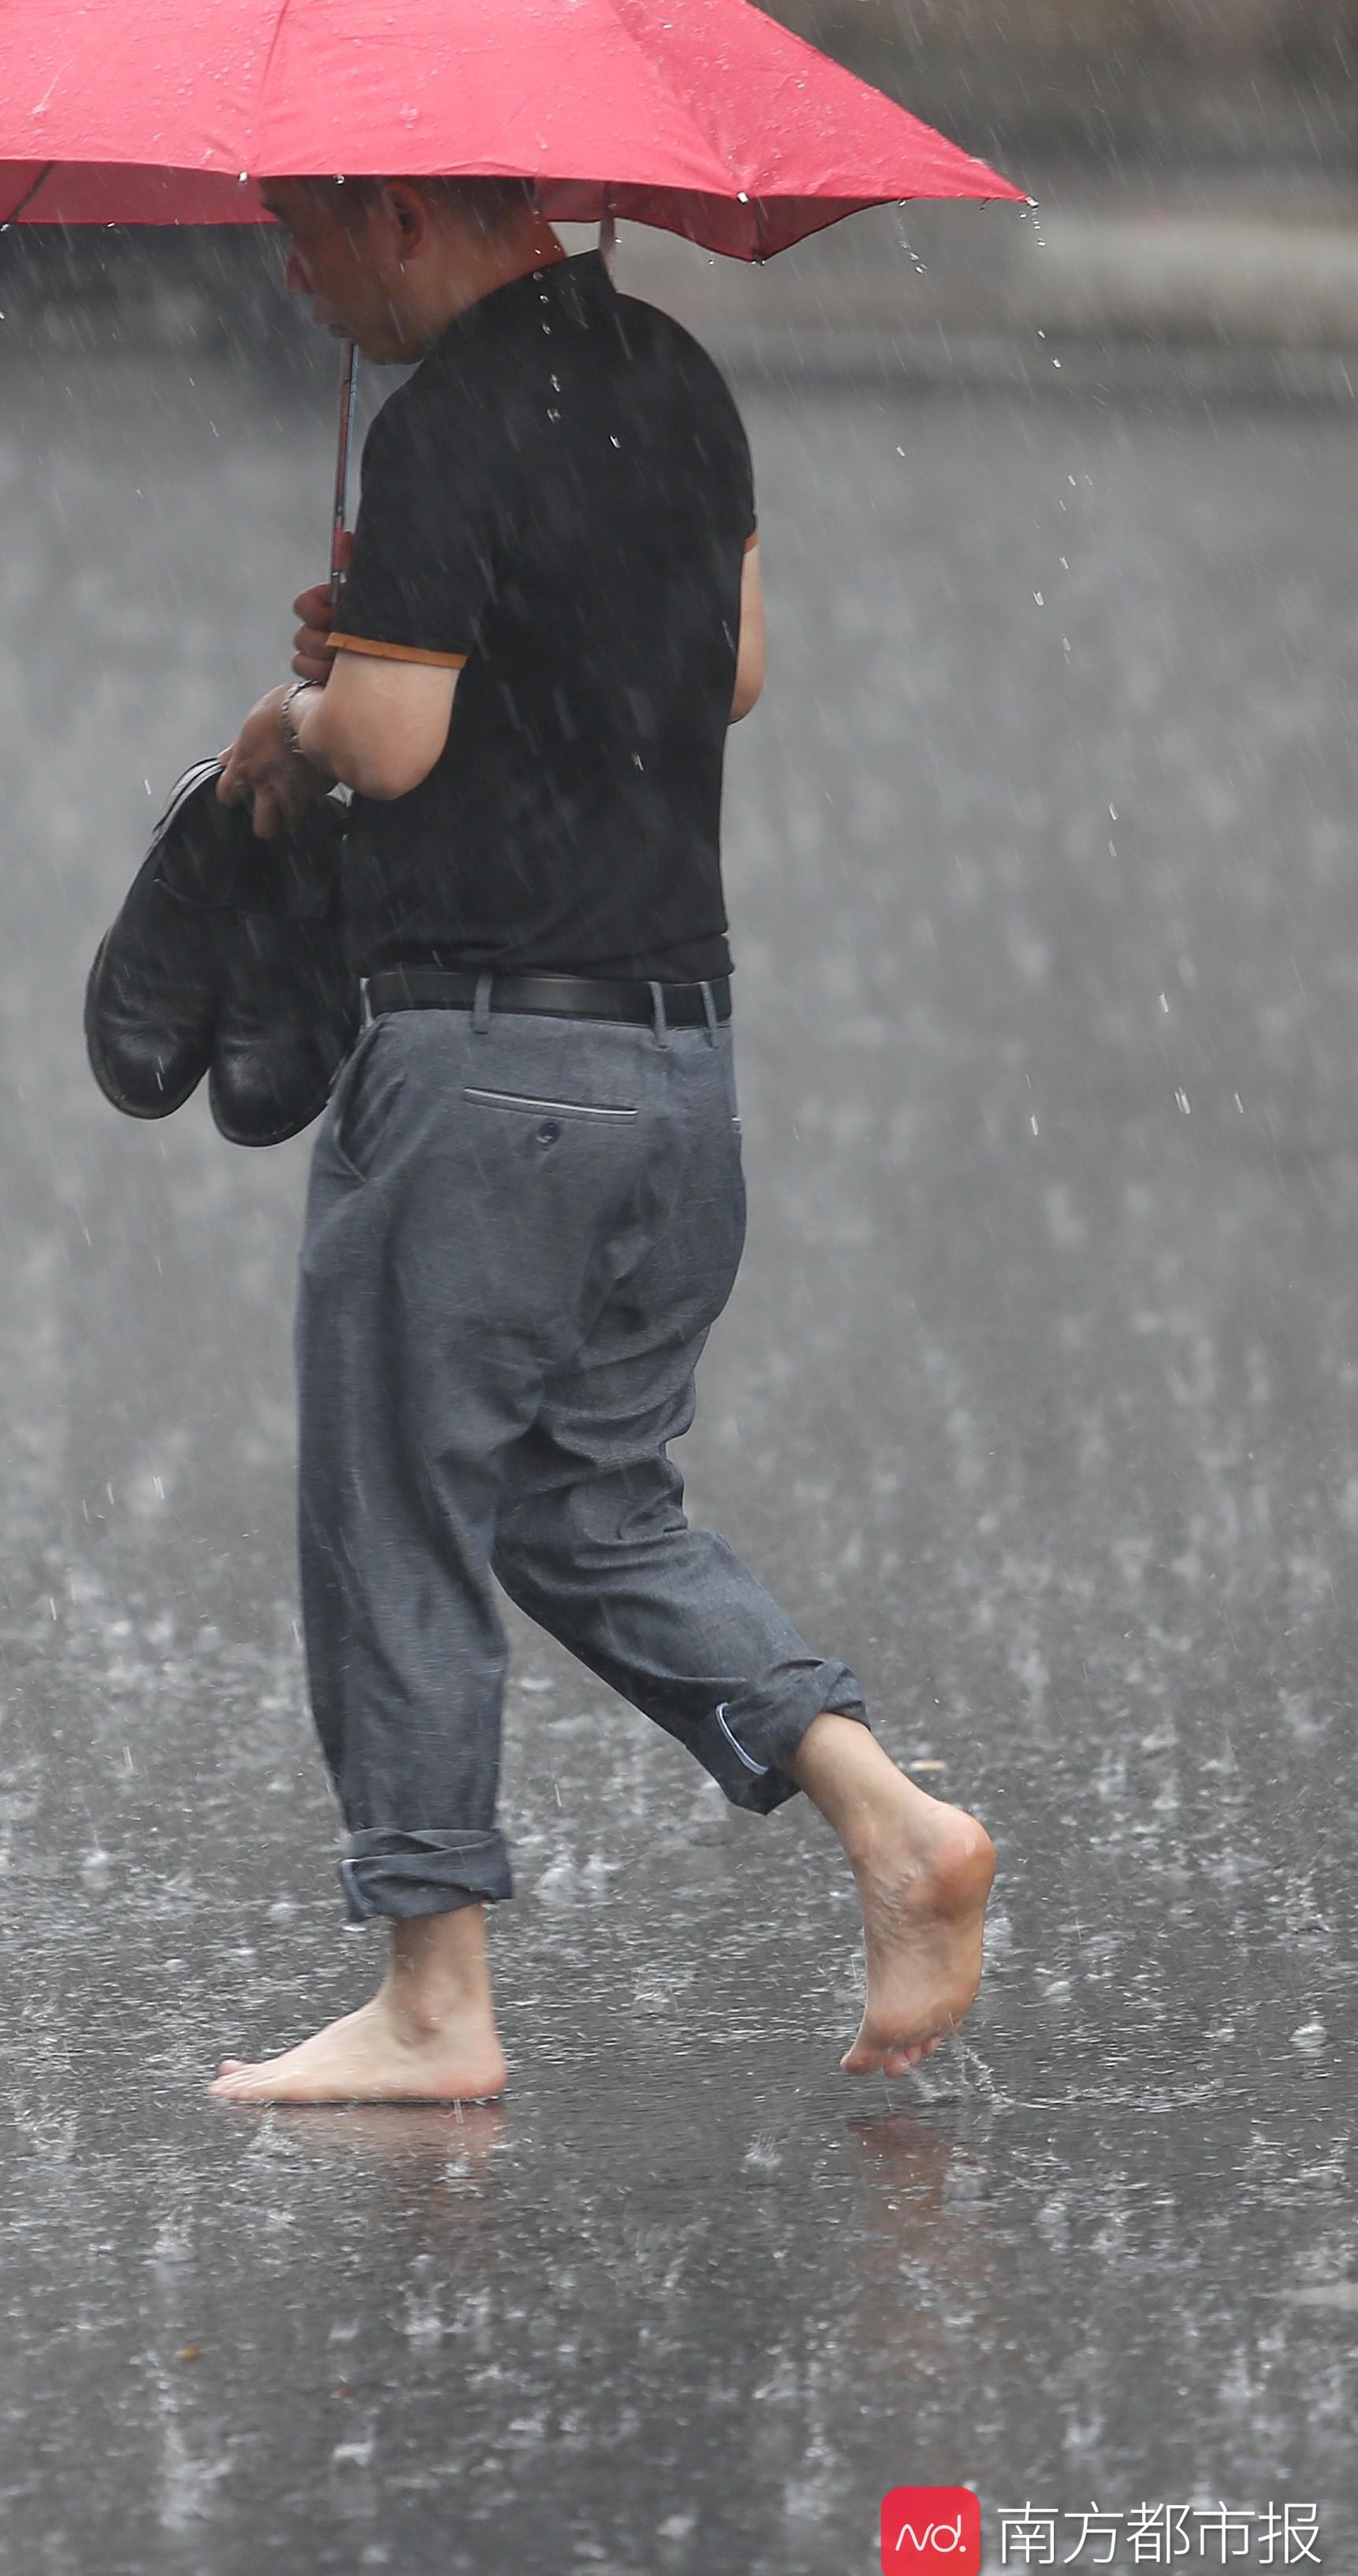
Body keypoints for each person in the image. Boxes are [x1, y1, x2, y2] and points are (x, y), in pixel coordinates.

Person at [210, 175, 995, 2105]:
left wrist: (296, 713)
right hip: (672, 1065)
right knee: (578, 1503)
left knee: (394, 1511)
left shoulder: (444, 422)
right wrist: (427, 636)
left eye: (303, 233)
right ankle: (890, 1822)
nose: (291, 277)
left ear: (401, 211)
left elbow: (385, 749)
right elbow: (721, 670)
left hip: (482, 1073)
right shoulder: (676, 376)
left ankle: (430, 2000)